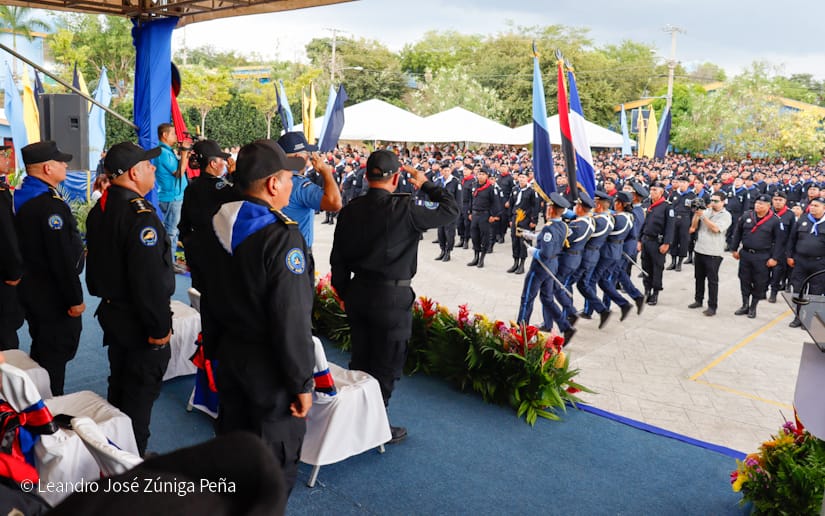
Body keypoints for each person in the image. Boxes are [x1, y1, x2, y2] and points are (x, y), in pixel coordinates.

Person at [330, 150, 459, 444]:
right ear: (397, 178)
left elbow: (337, 260)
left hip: (359, 293)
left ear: (366, 176)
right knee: (387, 363)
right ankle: (375, 426)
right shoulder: (406, 209)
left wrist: (343, 292)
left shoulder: (351, 210)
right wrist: (426, 183)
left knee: (361, 357)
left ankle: (356, 416)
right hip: (391, 297)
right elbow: (452, 210)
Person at [211, 140, 314, 494]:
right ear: (273, 184)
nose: (291, 186)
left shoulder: (217, 223)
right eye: (289, 178)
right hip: (270, 372)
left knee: (233, 457)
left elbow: (208, 296)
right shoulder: (281, 237)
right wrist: (301, 382)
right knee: (271, 472)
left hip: (229, 357)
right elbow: (291, 319)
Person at [85, 142, 173, 456]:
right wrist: (160, 329)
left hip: (114, 314)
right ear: (134, 173)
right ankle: (132, 470)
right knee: (138, 398)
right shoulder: (140, 216)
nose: (153, 169)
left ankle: (113, 456)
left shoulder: (103, 208)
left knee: (119, 386)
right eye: (148, 165)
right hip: (139, 323)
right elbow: (149, 283)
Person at [13, 141, 85, 395]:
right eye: (60, 161)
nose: (65, 165)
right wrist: (75, 298)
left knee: (43, 348)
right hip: (52, 296)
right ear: (46, 168)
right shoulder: (48, 205)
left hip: (32, 288)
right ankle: (49, 410)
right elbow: (61, 258)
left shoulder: (24, 193)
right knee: (55, 354)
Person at [177, 139, 241, 358]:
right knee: (225, 308)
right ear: (213, 164)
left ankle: (207, 351)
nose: (224, 164)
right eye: (222, 161)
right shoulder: (222, 187)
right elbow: (243, 196)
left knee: (206, 306)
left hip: (199, 256)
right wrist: (235, 176)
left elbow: (183, 226)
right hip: (220, 258)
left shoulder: (192, 187)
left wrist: (193, 248)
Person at [277, 131, 343, 276]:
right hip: (296, 255)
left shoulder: (271, 179)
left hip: (274, 250)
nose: (309, 158)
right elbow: (335, 203)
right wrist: (326, 172)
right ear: (298, 157)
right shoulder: (300, 185)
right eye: (307, 154)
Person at [515, 192, 570, 334]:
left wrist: (534, 251)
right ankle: (565, 326)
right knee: (547, 298)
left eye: (548, 208)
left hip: (540, 267)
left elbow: (546, 252)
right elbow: (553, 241)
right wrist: (532, 235)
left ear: (551, 210)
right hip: (553, 266)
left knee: (527, 298)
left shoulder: (548, 228)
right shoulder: (563, 225)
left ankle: (520, 329)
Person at [729, 194, 784, 319]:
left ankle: (753, 307)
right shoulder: (747, 215)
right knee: (744, 280)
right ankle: (745, 305)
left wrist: (774, 258)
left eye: (762, 204)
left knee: (759, 282)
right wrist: (734, 248)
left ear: (769, 206)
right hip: (746, 254)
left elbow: (780, 242)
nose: (758, 206)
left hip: (763, 256)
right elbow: (737, 232)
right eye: (757, 203)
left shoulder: (775, 220)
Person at [688, 192, 732, 316]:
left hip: (713, 252)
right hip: (700, 248)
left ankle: (712, 306)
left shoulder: (726, 215)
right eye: (712, 200)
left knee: (712, 281)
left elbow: (716, 229)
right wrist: (697, 213)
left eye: (716, 201)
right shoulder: (706, 211)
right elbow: (693, 227)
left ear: (723, 202)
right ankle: (698, 299)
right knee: (699, 277)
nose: (713, 203)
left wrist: (703, 216)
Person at [153, 123, 189, 272]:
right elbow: (179, 172)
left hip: (174, 196)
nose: (176, 137)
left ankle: (171, 261)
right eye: (173, 134)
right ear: (165, 135)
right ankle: (168, 264)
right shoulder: (163, 152)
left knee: (174, 230)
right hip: (171, 197)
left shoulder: (166, 151)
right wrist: (185, 153)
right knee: (171, 231)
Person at [786, 196, 825, 328]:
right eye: (812, 205)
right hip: (800, 261)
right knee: (798, 291)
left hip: (819, 263)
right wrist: (789, 256)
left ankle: (808, 320)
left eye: (816, 206)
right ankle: (797, 317)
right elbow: (792, 239)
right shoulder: (803, 219)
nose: (813, 208)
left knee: (815, 293)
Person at [0, 145, 24, 350]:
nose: (7, 159)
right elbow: (7, 236)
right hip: (3, 277)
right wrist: (15, 272)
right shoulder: (0, 195)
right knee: (6, 336)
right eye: (2, 155)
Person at [639, 182, 675, 306]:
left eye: (655, 189)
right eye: (651, 189)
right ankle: (647, 290)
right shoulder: (649, 204)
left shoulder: (667, 207)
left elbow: (670, 227)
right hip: (646, 240)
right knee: (646, 267)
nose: (652, 191)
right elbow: (644, 224)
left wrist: (667, 243)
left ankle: (655, 293)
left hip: (658, 242)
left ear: (661, 191)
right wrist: (639, 240)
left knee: (657, 268)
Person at [467, 167, 502, 268]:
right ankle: (476, 256)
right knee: (474, 236)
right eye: (479, 174)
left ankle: (482, 258)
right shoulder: (474, 186)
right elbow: (471, 200)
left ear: (487, 176)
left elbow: (495, 203)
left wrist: (494, 216)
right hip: (475, 214)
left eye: (483, 174)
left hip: (485, 215)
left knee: (484, 237)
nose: (480, 176)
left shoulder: (491, 188)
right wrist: (469, 211)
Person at [506, 171, 539, 274]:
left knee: (523, 241)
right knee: (515, 240)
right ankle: (515, 262)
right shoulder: (514, 189)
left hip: (526, 219)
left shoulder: (531, 191)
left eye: (523, 177)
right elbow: (511, 204)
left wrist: (534, 220)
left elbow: (535, 206)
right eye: (520, 177)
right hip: (515, 218)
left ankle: (522, 264)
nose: (521, 179)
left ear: (527, 179)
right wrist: (510, 219)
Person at [768, 192, 794, 303]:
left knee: (777, 272)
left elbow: (792, 234)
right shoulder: (768, 212)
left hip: (781, 248)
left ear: (785, 201)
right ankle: (762, 290)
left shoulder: (790, 214)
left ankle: (773, 293)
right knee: (764, 271)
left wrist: (789, 251)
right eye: (776, 199)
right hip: (767, 246)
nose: (778, 202)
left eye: (780, 200)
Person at [433, 163, 461, 262]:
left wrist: (457, 211)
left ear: (450, 171)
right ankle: (442, 250)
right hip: (440, 210)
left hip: (450, 211)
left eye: (448, 171)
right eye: (444, 171)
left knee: (449, 232)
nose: (446, 172)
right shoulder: (438, 181)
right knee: (440, 232)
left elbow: (459, 198)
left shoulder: (455, 182)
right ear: (441, 171)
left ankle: (448, 251)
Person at [667, 176, 694, 271]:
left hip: (685, 220)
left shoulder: (691, 195)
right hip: (674, 219)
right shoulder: (674, 194)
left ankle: (679, 263)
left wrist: (693, 225)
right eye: (680, 182)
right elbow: (669, 207)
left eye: (684, 182)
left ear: (688, 184)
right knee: (673, 240)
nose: (682, 184)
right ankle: (673, 261)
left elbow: (693, 211)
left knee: (683, 241)